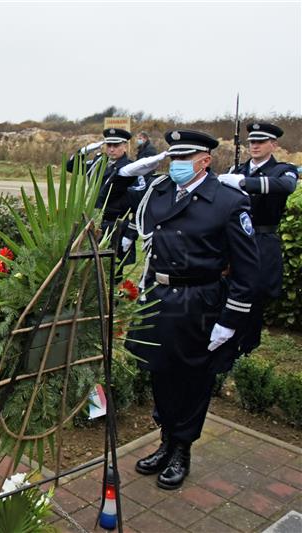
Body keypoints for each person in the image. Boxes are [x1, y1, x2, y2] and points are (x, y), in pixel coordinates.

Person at [126, 130, 259, 490]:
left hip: (200, 301)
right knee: (160, 372)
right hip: (160, 296)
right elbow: (122, 210)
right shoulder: (160, 191)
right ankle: (166, 440)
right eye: (173, 159)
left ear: (205, 160)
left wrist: (230, 321)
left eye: (184, 160)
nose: (177, 166)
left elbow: (248, 271)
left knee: (193, 378)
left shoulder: (228, 202)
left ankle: (182, 448)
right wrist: (126, 174)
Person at [218, 122, 298, 355]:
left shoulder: (283, 169)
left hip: (261, 240)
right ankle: (226, 346)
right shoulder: (237, 170)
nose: (254, 145)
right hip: (233, 241)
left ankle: (247, 349)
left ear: (273, 145)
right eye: (252, 141)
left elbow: (287, 186)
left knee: (254, 298)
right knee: (227, 292)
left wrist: (244, 183)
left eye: (261, 142)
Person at [68, 128, 135, 271]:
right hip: (94, 222)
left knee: (112, 273)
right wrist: (84, 151)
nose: (111, 149)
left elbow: (138, 204)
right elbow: (71, 166)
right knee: (88, 268)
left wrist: (130, 234)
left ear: (125, 146)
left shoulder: (130, 168)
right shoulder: (99, 162)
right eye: (108, 145)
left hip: (115, 225)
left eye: (116, 146)